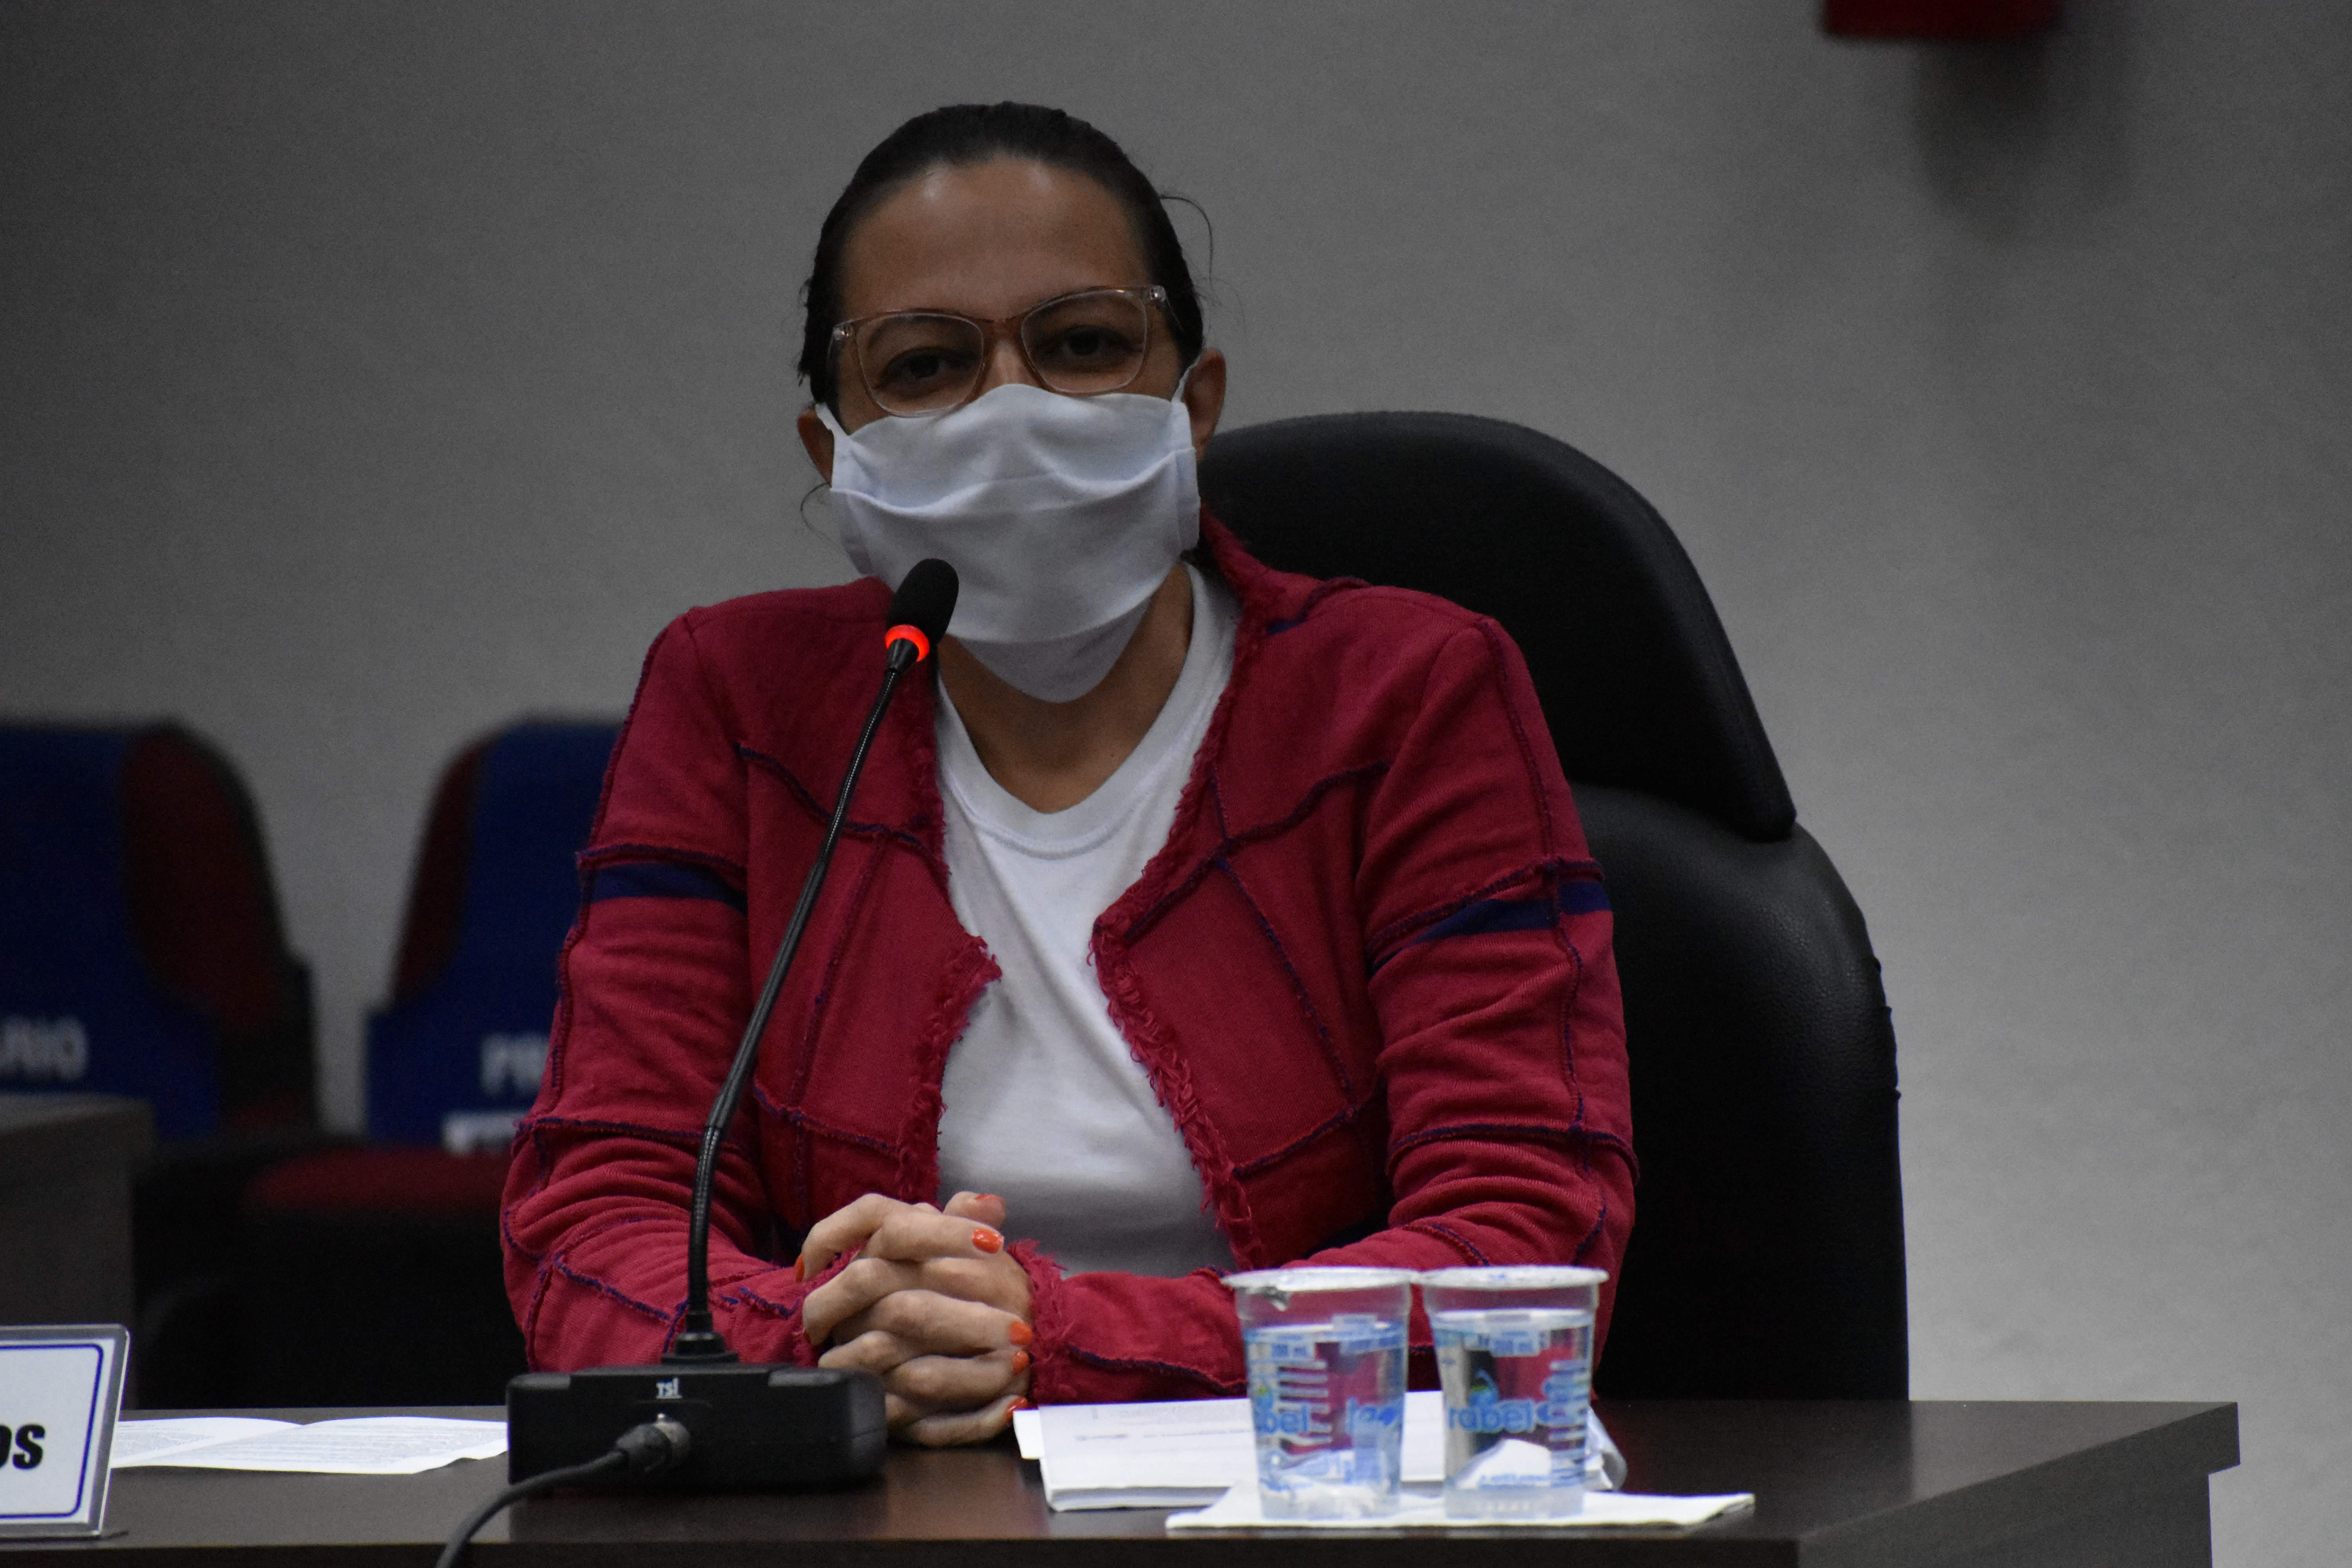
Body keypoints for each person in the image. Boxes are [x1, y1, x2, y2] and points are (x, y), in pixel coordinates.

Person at [501, 102, 1634, 1448]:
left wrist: (1051, 1340)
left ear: (1192, 406)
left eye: (1083, 346)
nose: (1011, 415)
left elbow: (1525, 1238)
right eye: (925, 367)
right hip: (879, 1509)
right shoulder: (736, 702)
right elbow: (596, 1217)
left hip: (1301, 1500)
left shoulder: (1410, 693)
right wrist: (827, 1341)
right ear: (835, 455)